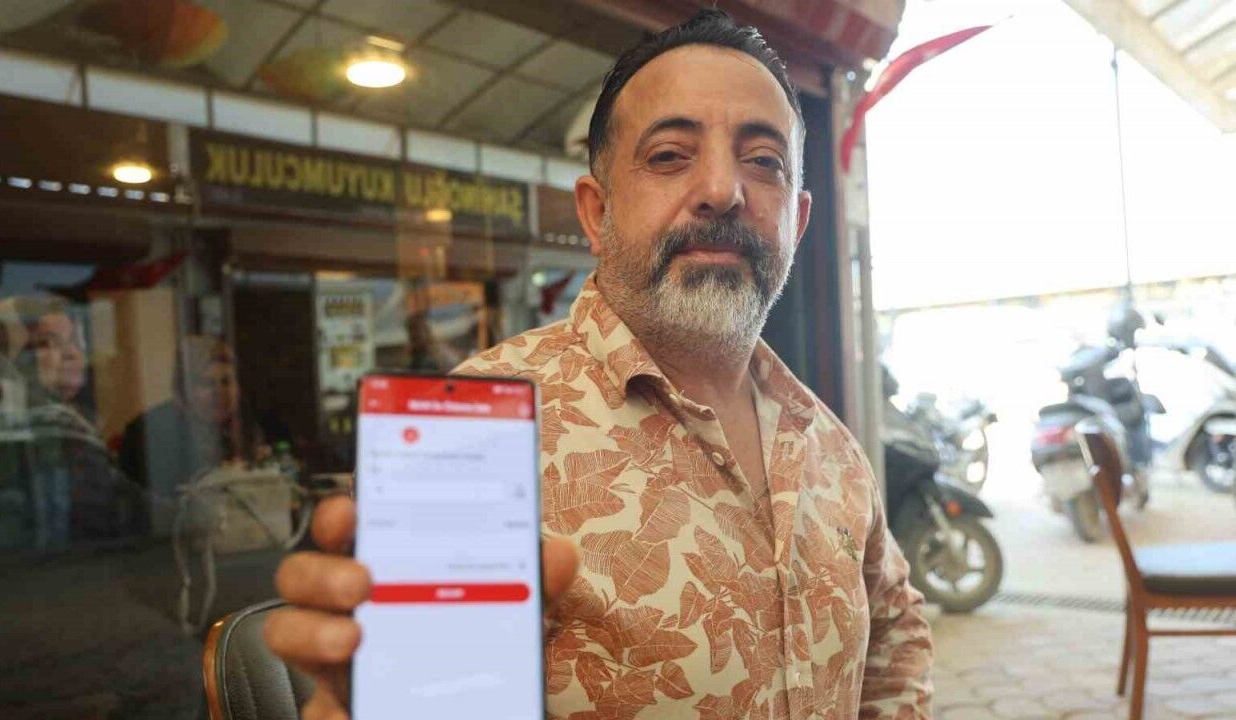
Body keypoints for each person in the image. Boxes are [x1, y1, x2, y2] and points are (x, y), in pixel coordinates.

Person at [266, 10, 933, 719]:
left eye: (763, 161)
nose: (721, 188)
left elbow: (895, 639)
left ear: (796, 221)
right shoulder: (474, 434)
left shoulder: (825, 440)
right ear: (595, 212)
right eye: (669, 155)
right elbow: (425, 694)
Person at [119, 335, 268, 535]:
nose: (219, 392)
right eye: (206, 384)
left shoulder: (246, 425)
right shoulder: (151, 432)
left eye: (227, 382)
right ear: (183, 389)